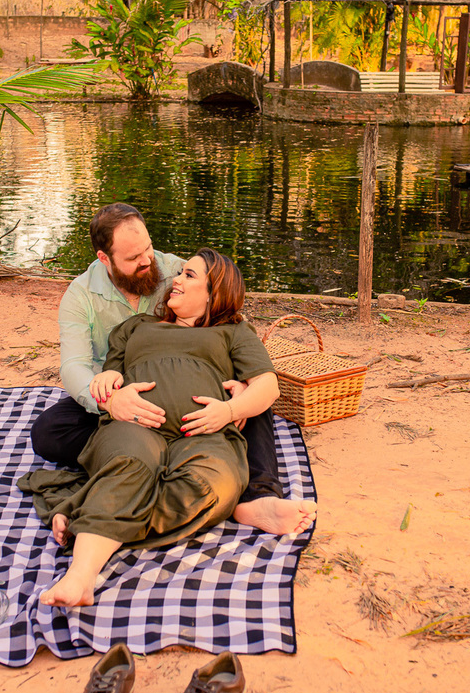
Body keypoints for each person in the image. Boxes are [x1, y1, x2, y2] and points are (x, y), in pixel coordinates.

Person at [31, 203, 315, 536]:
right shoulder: (80, 296)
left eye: (148, 248)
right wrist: (110, 401)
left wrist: (239, 390)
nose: (146, 260)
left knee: (254, 397)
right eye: (133, 258)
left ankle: (256, 496)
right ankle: (132, 461)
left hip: (196, 396)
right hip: (122, 395)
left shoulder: (174, 269)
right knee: (48, 431)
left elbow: (225, 310)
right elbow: (74, 366)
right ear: (104, 259)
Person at [21, 249, 280, 607]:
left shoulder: (232, 330)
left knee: (211, 487)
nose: (176, 280)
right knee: (129, 466)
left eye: (190, 276)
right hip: (136, 426)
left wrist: (231, 409)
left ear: (213, 291)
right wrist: (110, 379)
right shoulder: (136, 327)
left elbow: (269, 386)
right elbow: (110, 371)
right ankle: (80, 577)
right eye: (181, 273)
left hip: (203, 433)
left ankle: (87, 512)